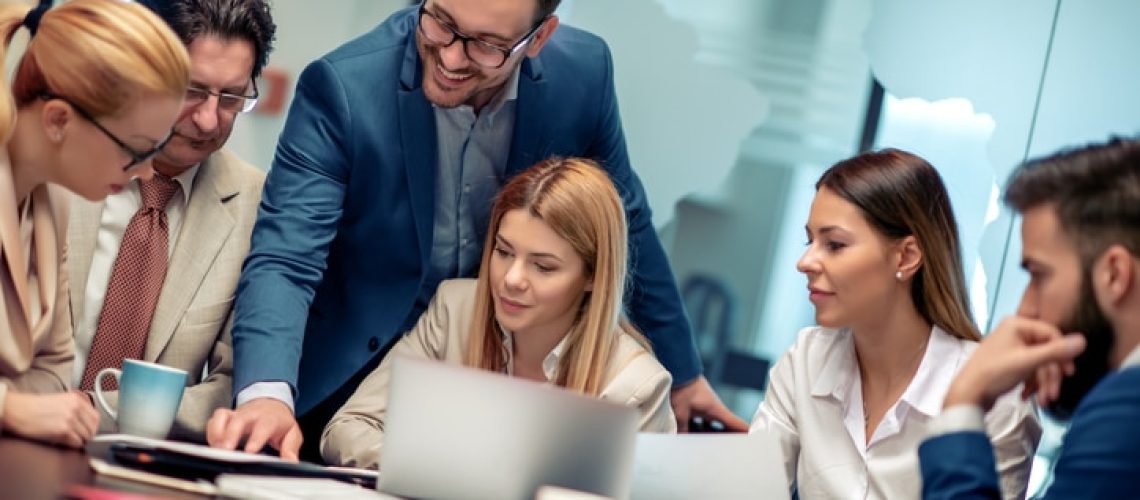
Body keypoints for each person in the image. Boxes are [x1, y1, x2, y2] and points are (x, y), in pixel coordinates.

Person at [208, 0, 742, 461]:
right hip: (342, 384)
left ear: (539, 38)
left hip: (481, 369)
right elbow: (286, 256)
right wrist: (266, 393)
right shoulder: (346, 86)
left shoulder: (583, 76)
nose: (450, 57)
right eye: (440, 21)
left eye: (486, 45)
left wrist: (686, 375)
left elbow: (626, 224)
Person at [321, 157, 675, 467]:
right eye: (504, 252)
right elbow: (347, 430)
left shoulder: (636, 386)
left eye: (543, 267)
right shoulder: (456, 309)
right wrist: (445, 472)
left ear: (593, 277)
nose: (512, 279)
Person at [749, 149, 1040, 499]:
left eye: (835, 244)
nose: (805, 261)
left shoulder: (999, 396)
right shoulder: (806, 358)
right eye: (810, 241)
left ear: (906, 256)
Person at [67, 0, 275, 443]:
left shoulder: (257, 206)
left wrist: (93, 414)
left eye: (232, 98)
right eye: (191, 90)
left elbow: (231, 384)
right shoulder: (60, 159)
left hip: (151, 462)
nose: (207, 119)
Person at [0, 0, 189, 447]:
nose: (146, 173)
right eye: (138, 150)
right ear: (59, 120)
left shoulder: (54, 201)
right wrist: (10, 408)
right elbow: (31, 396)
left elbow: (53, 368)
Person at [920, 138, 1140, 499]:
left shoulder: (1126, 409)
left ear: (1115, 274)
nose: (1025, 310)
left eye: (1038, 275)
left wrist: (962, 402)